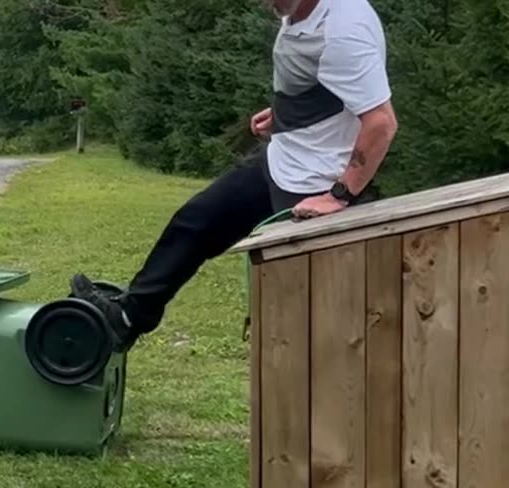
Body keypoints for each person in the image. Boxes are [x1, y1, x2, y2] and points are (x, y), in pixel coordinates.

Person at [69, 0, 398, 351]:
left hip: (312, 186)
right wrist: (285, 113)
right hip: (282, 160)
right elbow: (334, 85)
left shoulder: (344, 30)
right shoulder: (300, 10)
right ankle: (128, 318)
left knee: (296, 320)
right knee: (196, 222)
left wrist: (339, 195)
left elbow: (381, 122)